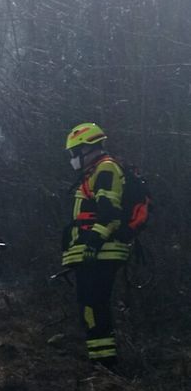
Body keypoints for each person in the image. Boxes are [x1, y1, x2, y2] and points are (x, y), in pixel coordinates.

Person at [61, 123, 145, 369]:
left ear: (87, 148)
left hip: (100, 252)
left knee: (93, 307)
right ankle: (102, 364)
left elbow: (110, 214)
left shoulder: (105, 169)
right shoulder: (95, 171)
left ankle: (104, 366)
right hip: (96, 252)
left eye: (74, 152)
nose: (73, 158)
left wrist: (94, 243)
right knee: (93, 306)